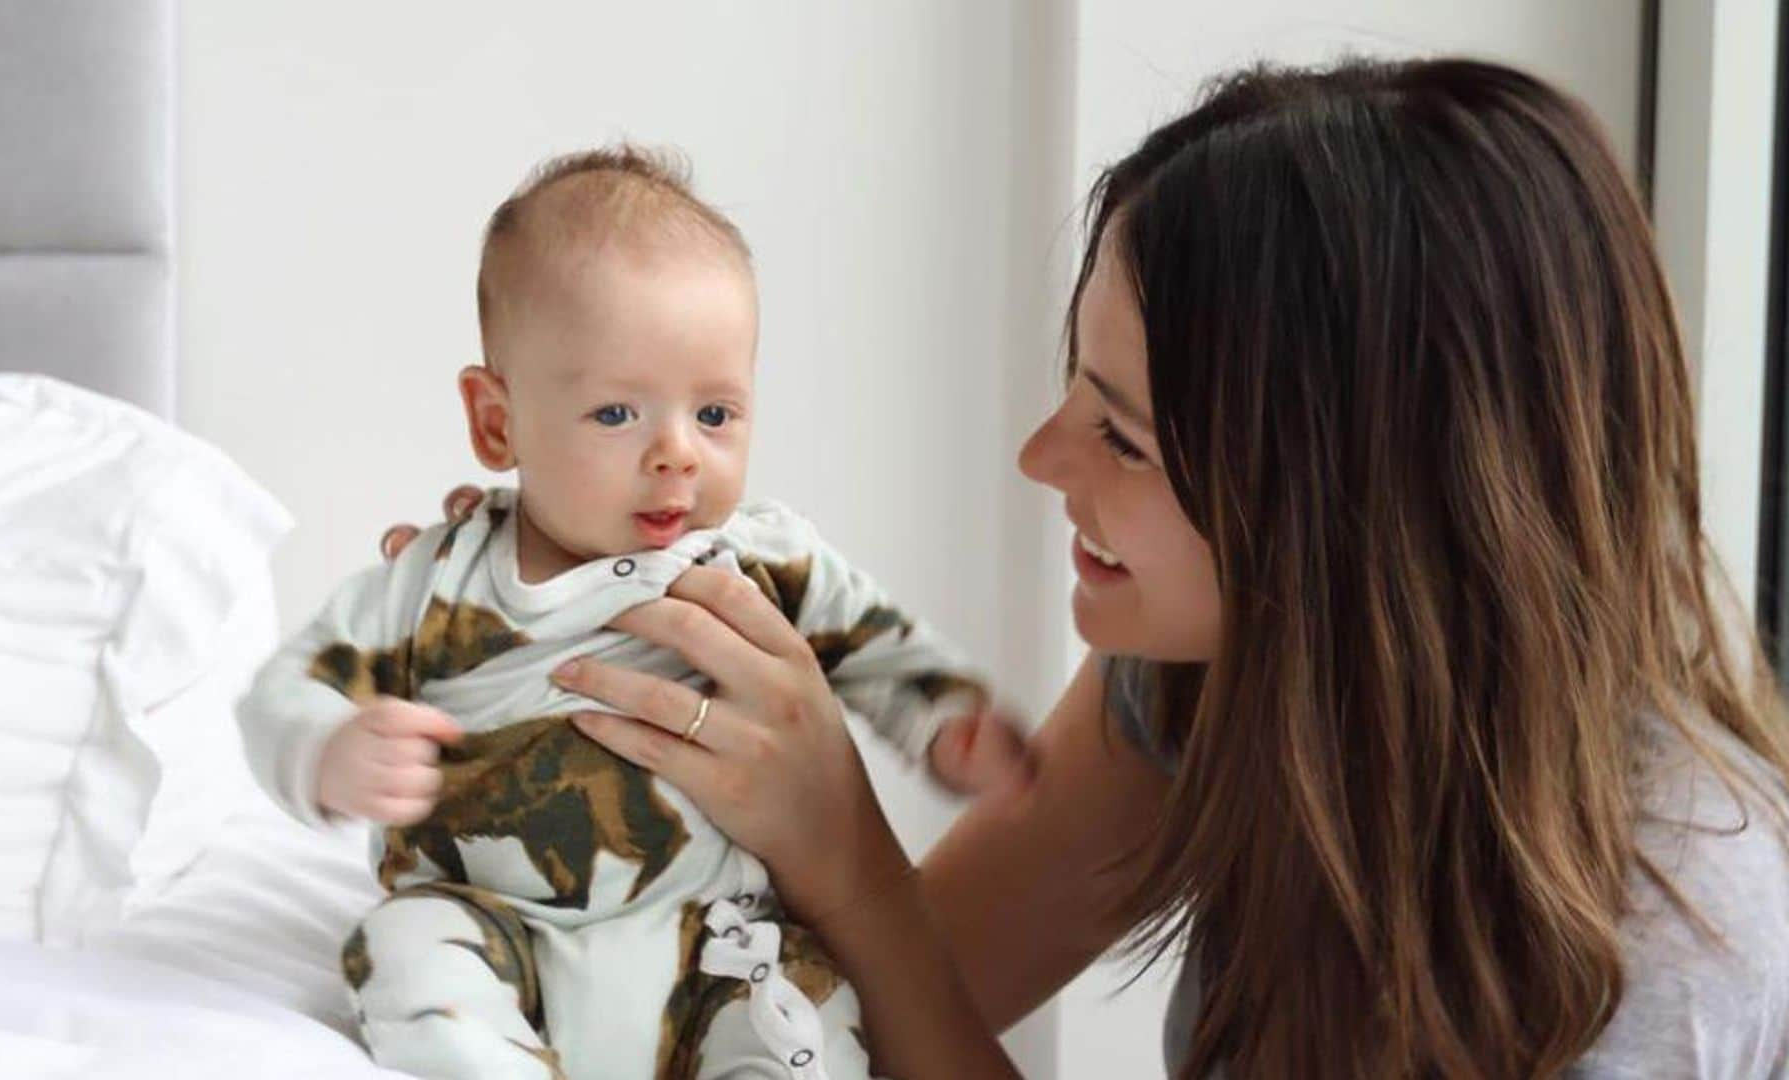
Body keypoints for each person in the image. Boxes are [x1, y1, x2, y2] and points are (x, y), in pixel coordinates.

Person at [393, 59, 1789, 1078]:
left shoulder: (1665, 945)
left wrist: (844, 848)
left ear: (1336, 507)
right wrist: (548, 627)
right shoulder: (1205, 685)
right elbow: (885, 1036)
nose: (1042, 459)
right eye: (1080, 389)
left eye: (1119, 433)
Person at [242, 146, 1030, 1080]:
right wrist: (330, 751)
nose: (677, 455)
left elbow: (875, 644)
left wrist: (944, 720)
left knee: (807, 1020)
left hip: (715, 947)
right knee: (406, 953)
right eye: (618, 414)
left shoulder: (761, 558)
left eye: (716, 414)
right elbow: (286, 688)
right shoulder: (436, 576)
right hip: (496, 931)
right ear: (497, 423)